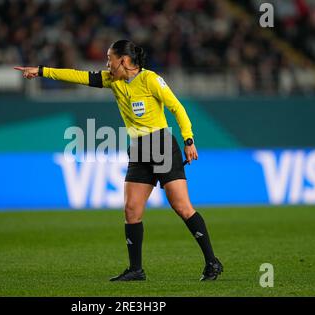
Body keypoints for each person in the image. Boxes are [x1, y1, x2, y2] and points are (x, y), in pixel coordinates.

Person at [14, 39, 223, 281]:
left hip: (162, 146)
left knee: (182, 207)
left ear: (123, 61)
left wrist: (188, 140)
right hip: (139, 150)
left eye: (109, 58)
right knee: (131, 210)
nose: (106, 63)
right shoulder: (112, 80)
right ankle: (136, 269)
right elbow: (78, 76)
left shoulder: (150, 80)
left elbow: (177, 108)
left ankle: (212, 262)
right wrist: (40, 71)